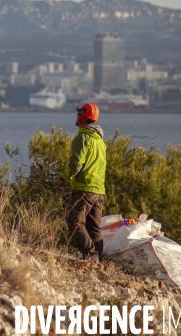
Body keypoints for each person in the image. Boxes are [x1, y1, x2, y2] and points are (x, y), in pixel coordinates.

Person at [55, 102, 106, 259]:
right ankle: (98, 258)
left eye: (79, 114)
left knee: (74, 221)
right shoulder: (100, 141)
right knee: (93, 227)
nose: (76, 117)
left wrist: (62, 179)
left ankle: (90, 256)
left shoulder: (82, 138)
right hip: (99, 191)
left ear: (83, 117)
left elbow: (76, 164)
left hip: (85, 188)